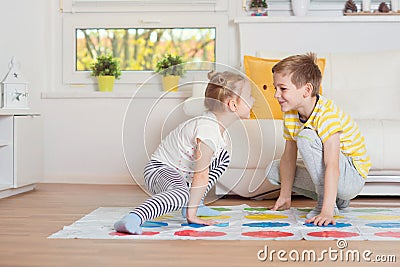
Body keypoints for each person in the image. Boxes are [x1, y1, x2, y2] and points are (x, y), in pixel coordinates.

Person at [114, 71, 255, 234]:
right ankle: (133, 218)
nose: (253, 100)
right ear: (233, 105)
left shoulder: (217, 130)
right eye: (249, 96)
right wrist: (191, 215)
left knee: (223, 157)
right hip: (159, 170)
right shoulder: (207, 130)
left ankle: (195, 203)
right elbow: (200, 174)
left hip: (180, 174)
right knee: (181, 194)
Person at [266, 53, 371, 226]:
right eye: (275, 88)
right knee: (274, 170)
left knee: (306, 137)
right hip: (337, 178)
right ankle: (338, 200)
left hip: (351, 175)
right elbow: (288, 157)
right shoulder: (291, 113)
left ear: (307, 90)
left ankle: (328, 203)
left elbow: (332, 164)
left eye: (283, 89)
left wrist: (326, 210)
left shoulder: (327, 114)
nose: (276, 95)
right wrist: (285, 195)